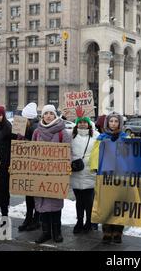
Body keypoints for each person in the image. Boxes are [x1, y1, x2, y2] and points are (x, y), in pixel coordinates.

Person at [32, 105, 72, 244]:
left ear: (55, 116)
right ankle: (45, 232)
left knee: (55, 206)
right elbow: (32, 152)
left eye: (51, 113)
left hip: (56, 175)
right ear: (42, 116)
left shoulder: (62, 133)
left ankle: (57, 232)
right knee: (42, 206)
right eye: (46, 114)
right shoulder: (37, 132)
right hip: (40, 174)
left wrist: (66, 166)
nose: (48, 116)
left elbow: (68, 153)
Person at [89, 112, 129, 244]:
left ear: (120, 123)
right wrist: (95, 167)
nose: (113, 124)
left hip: (120, 175)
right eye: (111, 121)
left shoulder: (125, 137)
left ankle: (118, 232)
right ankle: (106, 231)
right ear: (107, 123)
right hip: (105, 174)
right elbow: (95, 155)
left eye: (116, 121)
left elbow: (129, 155)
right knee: (105, 204)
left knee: (119, 204)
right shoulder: (101, 137)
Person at [71, 116, 99, 234]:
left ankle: (89, 222)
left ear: (89, 124)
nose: (82, 124)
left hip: (90, 173)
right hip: (75, 172)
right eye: (80, 122)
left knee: (89, 201)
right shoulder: (71, 136)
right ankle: (79, 221)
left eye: (85, 122)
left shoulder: (96, 136)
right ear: (77, 124)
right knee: (79, 201)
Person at [17, 102, 41, 232]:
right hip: (28, 165)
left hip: (33, 165)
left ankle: (34, 219)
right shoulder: (28, 126)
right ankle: (30, 218)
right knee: (29, 193)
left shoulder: (34, 128)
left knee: (33, 194)